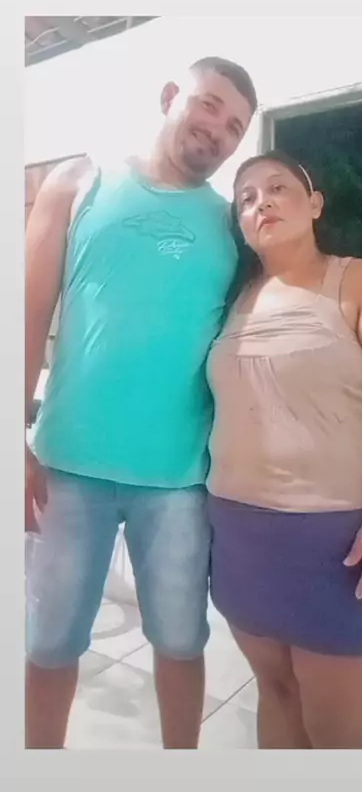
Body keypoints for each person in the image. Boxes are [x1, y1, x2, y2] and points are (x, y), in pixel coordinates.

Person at [25, 56, 257, 749]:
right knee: (50, 643)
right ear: (169, 96)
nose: (218, 130)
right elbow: (26, 317)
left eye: (235, 126)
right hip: (69, 468)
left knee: (182, 641)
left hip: (180, 478)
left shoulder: (233, 226)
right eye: (209, 105)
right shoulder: (79, 182)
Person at [206, 150, 362, 749]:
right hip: (242, 538)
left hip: (341, 543)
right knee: (277, 696)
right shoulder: (234, 303)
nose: (262, 202)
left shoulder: (356, 281)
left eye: (278, 188)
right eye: (247, 198)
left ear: (314, 204)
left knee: (342, 736)